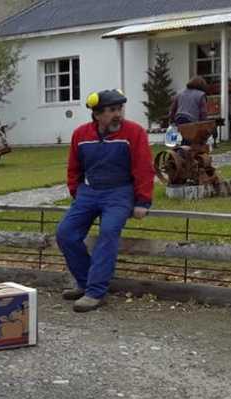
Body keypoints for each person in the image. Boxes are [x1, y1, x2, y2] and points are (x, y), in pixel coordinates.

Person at [56, 89, 155, 313]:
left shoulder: (134, 132)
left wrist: (142, 201)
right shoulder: (81, 134)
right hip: (89, 192)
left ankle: (95, 292)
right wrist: (77, 192)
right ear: (97, 114)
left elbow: (143, 167)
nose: (118, 114)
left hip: (119, 192)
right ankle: (85, 283)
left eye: (119, 109)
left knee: (108, 233)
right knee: (65, 233)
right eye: (111, 110)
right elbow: (74, 167)